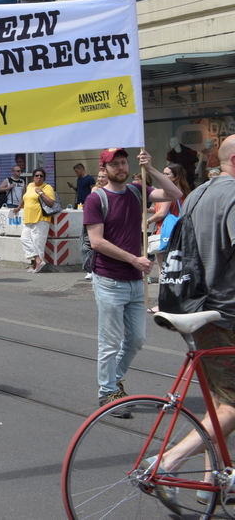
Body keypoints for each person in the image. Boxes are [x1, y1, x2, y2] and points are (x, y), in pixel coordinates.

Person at [150, 136, 235, 508]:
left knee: (219, 401)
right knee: (232, 403)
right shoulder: (233, 195)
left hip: (195, 306)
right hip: (225, 312)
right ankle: (168, 461)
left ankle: (210, 482)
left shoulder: (199, 193)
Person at [85, 148, 180, 415]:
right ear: (104, 169)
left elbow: (174, 194)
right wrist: (133, 259)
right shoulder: (96, 199)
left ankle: (113, 381)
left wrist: (151, 169)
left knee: (136, 339)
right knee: (110, 342)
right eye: (114, 164)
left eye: (123, 162)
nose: (121, 167)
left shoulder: (138, 190)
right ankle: (107, 393)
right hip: (109, 279)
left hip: (136, 280)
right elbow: (96, 242)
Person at [146, 163, 190, 312]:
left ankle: (163, 303)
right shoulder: (183, 191)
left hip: (164, 233)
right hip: (178, 233)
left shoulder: (170, 192)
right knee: (176, 270)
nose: (163, 176)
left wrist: (148, 221)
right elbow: (161, 209)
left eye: (167, 174)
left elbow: (162, 213)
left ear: (175, 177)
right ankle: (177, 301)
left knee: (163, 271)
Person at [12, 168, 57, 273]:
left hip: (40, 218)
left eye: (41, 176)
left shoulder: (47, 187)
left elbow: (51, 202)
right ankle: (38, 259)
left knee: (38, 243)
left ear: (44, 178)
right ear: (33, 177)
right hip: (28, 218)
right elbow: (25, 198)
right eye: (37, 175)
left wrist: (41, 193)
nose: (39, 177)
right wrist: (19, 207)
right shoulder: (29, 186)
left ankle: (36, 264)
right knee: (24, 239)